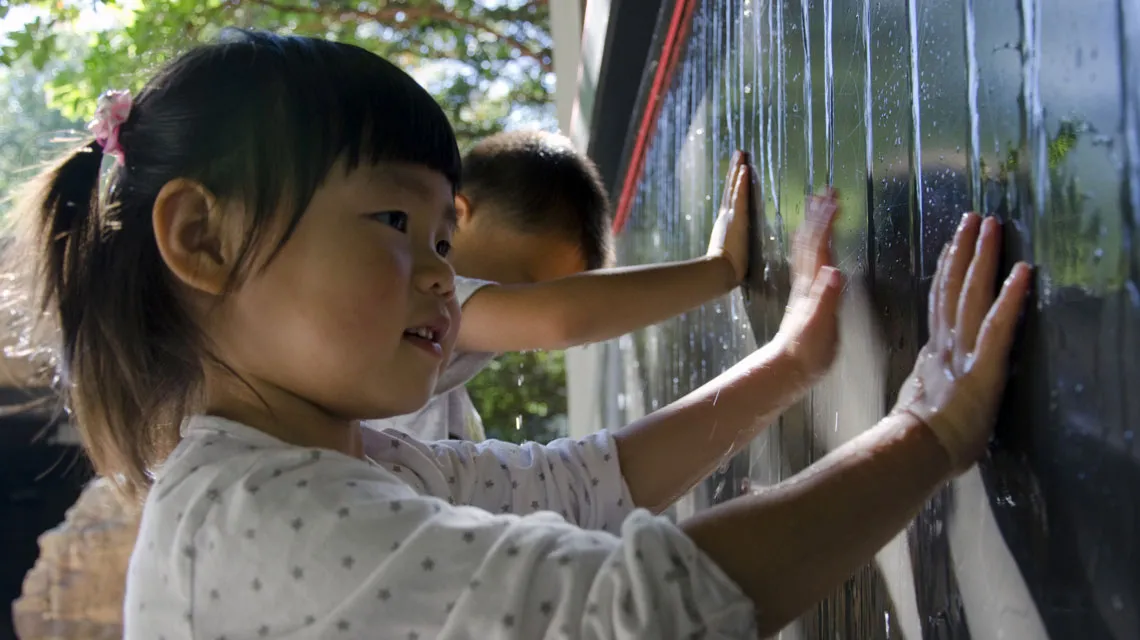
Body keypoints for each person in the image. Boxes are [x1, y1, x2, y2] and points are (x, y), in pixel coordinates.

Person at [13, 30, 1031, 639]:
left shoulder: (313, 459)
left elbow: (578, 486)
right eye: (394, 225)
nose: (441, 275)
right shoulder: (249, 520)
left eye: (442, 236)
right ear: (202, 239)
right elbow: (642, 611)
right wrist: (930, 433)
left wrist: (789, 364)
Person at [366, 132, 752, 442]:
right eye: (524, 286)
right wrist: (721, 269)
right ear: (459, 215)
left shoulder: (443, 393)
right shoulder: (421, 297)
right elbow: (561, 320)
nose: (530, 335)